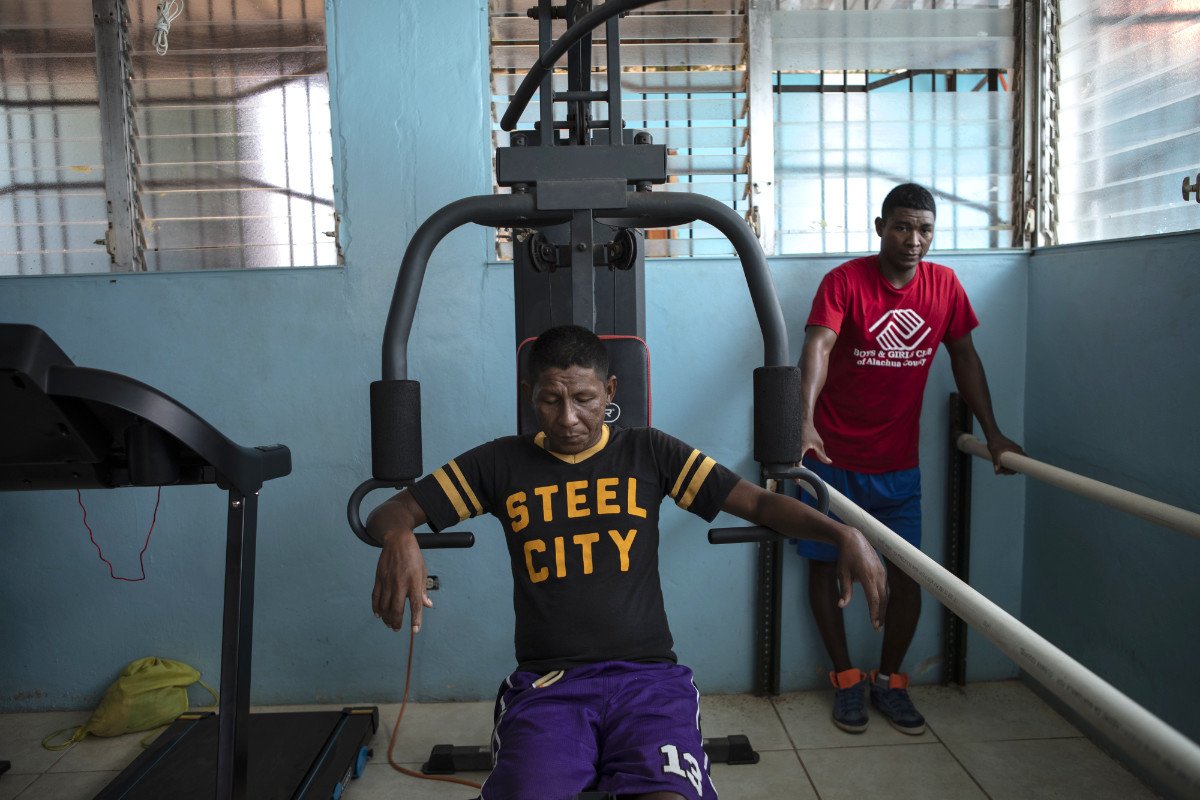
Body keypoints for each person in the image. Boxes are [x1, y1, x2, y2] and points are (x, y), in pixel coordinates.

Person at [368, 324, 888, 800]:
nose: (568, 417)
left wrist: (841, 531)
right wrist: (400, 537)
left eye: (584, 398)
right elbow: (389, 512)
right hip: (552, 686)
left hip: (649, 684)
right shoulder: (500, 462)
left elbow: (757, 502)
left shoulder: (649, 453)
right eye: (550, 400)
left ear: (610, 393)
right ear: (530, 397)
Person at [793, 182, 1023, 737]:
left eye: (924, 229)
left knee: (910, 575)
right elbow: (818, 347)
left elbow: (965, 358)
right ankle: (845, 679)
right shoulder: (845, 282)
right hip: (831, 458)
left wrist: (994, 433)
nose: (913, 239)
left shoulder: (944, 287)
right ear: (880, 228)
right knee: (825, 566)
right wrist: (803, 421)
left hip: (898, 466)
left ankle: (890, 681)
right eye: (902, 226)